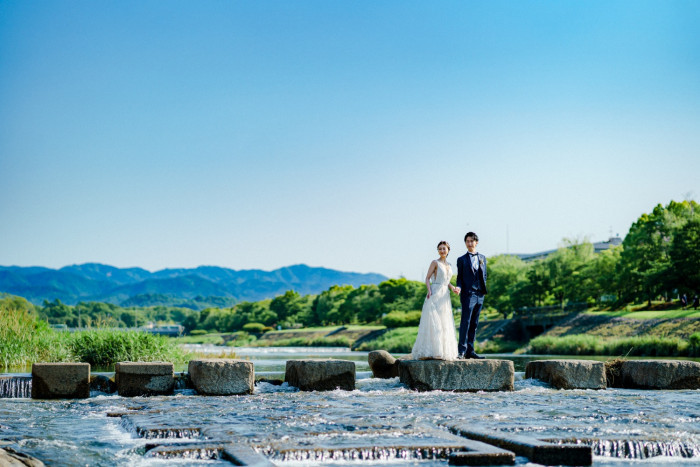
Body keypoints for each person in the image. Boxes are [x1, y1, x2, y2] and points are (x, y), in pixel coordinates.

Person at [411, 241, 461, 360]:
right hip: (435, 292)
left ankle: (442, 351)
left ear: (448, 250)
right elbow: (427, 278)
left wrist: (453, 288)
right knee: (434, 322)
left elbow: (446, 281)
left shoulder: (449, 265)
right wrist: (429, 291)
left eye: (444, 248)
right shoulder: (435, 263)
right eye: (440, 249)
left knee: (444, 322)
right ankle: (433, 351)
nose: (442, 251)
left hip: (445, 295)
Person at [456, 231, 488, 359]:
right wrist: (458, 287)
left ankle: (471, 351)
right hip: (468, 294)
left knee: (474, 323)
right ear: (465, 243)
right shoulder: (461, 259)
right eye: (467, 241)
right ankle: (461, 351)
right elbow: (459, 277)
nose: (470, 243)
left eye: (472, 241)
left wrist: (482, 289)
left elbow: (484, 274)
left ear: (476, 242)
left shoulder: (483, 258)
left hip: (480, 294)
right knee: (465, 322)